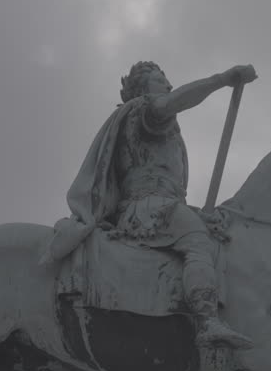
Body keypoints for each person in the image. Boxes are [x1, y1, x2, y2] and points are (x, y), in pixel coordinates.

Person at [44, 60, 259, 351]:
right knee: (198, 241)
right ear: (144, 89)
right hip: (145, 208)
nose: (168, 85)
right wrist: (222, 79)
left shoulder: (165, 129)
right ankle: (207, 321)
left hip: (166, 204)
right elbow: (172, 102)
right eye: (161, 80)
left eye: (167, 80)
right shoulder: (143, 111)